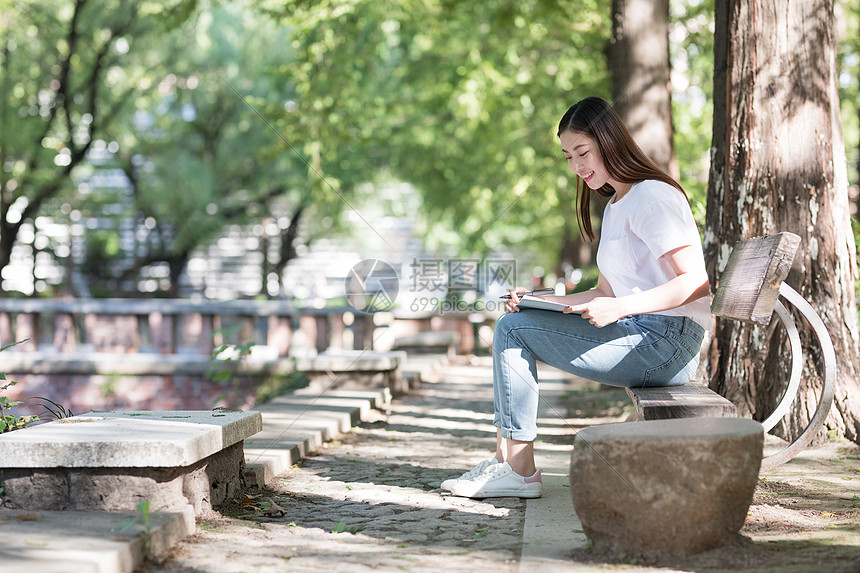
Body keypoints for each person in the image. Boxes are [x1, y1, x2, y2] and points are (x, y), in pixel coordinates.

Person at [441, 96, 711, 499]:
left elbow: (696, 282)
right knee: (515, 324)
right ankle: (508, 463)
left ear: (609, 141)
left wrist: (620, 307)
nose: (576, 166)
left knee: (512, 331)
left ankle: (517, 469)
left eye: (582, 152)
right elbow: (602, 292)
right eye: (568, 156)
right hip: (644, 335)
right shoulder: (618, 204)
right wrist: (539, 302)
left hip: (667, 344)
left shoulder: (651, 196)